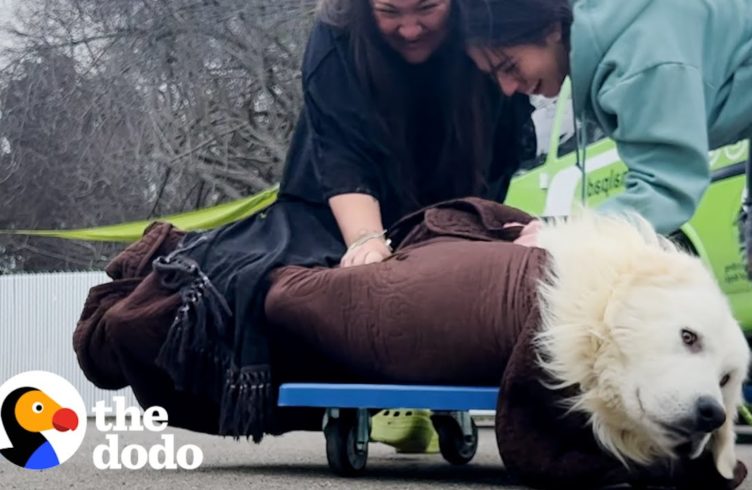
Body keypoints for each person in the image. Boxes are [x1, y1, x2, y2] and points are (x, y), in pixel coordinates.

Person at [93, 0, 533, 445]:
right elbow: (342, 154)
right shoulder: (336, 32)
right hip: (334, 200)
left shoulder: (493, 30)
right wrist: (366, 240)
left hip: (448, 197)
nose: (411, 28)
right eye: (389, 11)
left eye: (427, 8)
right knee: (286, 277)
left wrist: (469, 229)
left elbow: (499, 156)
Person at [456, 0, 752, 353]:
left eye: (508, 65)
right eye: (494, 75)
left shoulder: (640, 56)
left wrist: (561, 238)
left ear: (550, 28)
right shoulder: (606, 44)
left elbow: (665, 189)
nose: (506, 87)